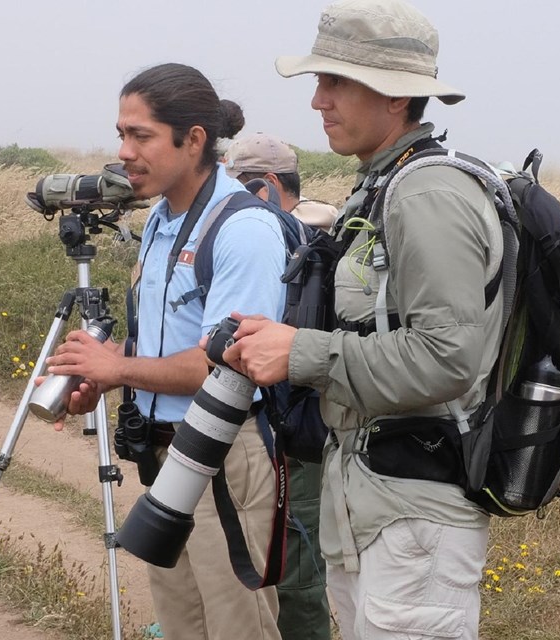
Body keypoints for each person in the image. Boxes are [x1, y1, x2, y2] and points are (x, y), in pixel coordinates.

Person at [215, 2, 505, 639]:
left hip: (416, 519)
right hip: (377, 510)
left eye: (335, 81)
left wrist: (302, 353)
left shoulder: (428, 194)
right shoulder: (382, 187)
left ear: (396, 96)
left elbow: (449, 356)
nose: (318, 100)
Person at [44, 63, 286, 640]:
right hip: (168, 461)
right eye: (121, 133)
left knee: (237, 626)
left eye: (141, 135)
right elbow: (163, 343)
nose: (124, 152)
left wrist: (118, 366)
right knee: (181, 625)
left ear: (194, 138)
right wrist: (98, 373)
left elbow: (220, 362)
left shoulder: (243, 229)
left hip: (223, 457)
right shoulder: (160, 220)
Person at [225, 132, 333, 640]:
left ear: (266, 186)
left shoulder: (306, 238)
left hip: (293, 434)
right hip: (280, 427)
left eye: (237, 192)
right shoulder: (307, 235)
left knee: (294, 566)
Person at [224, 132, 338, 233]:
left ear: (269, 184)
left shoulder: (268, 234)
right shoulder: (330, 226)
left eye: (237, 187)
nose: (228, 196)